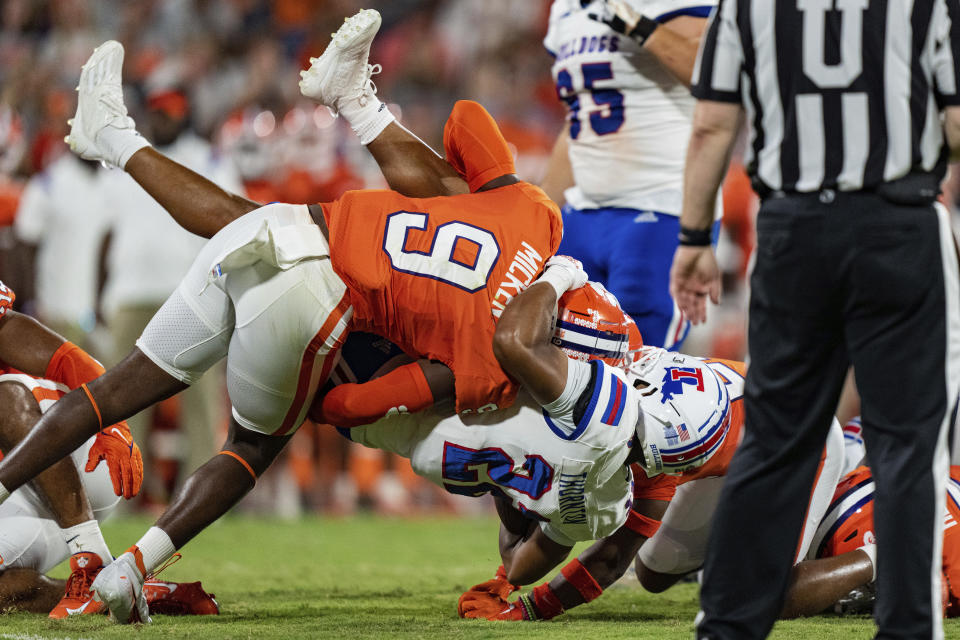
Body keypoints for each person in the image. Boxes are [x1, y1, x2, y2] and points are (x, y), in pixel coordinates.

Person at [0, 11, 562, 622]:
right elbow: (367, 403)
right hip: (321, 290)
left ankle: (127, 135)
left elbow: (469, 125)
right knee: (251, 445)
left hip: (293, 232)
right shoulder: (494, 353)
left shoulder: (532, 213)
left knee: (117, 385)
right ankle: (132, 568)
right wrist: (327, 405)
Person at [669, 0, 960, 636]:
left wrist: (694, 238)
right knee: (908, 447)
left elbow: (712, 127)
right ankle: (909, 628)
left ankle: (726, 626)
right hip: (898, 222)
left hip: (792, 230)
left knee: (776, 441)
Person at [0, 280, 216, 618]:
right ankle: (126, 591)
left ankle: (90, 559)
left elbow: (69, 360)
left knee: (4, 399)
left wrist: (114, 425)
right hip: (16, 501)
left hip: (70, 455)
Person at [540, 0, 719, 350]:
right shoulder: (564, 8)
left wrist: (637, 24)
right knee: (556, 368)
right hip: (582, 213)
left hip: (661, 208)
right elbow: (579, 122)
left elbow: (714, 73)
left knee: (638, 367)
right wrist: (539, 211)